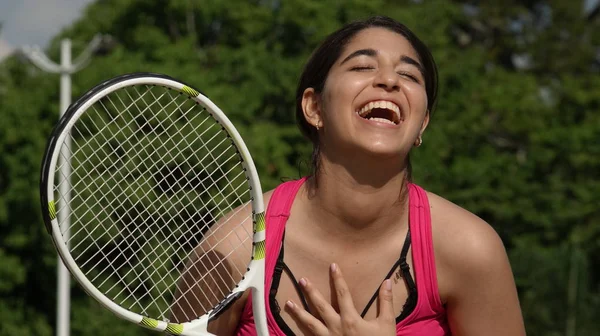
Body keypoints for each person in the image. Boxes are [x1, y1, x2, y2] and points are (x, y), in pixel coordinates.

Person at [177, 15, 526, 335]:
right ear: (315, 107)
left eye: (408, 75)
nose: (389, 80)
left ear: (421, 124)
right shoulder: (232, 249)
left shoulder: (471, 250)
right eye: (362, 66)